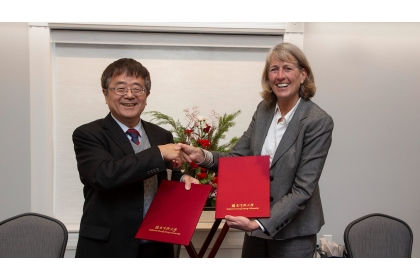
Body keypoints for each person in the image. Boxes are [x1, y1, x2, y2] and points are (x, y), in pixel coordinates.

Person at [179, 42, 334, 258]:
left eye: (288, 68)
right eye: (274, 69)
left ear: (303, 74)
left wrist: (259, 223)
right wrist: (202, 156)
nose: (280, 76)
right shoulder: (264, 110)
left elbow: (302, 190)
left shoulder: (318, 122)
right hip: (254, 230)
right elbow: (236, 159)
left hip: (291, 235)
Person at [72, 58, 198, 258]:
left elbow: (167, 174)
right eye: (120, 88)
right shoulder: (88, 134)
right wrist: (158, 153)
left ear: (147, 95)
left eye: (137, 89)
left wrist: (182, 179)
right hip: (108, 248)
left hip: (157, 245)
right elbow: (104, 175)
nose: (129, 95)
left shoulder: (161, 135)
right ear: (105, 94)